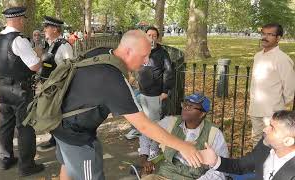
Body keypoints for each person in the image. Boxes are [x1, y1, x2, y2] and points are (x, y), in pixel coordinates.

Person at [51, 30, 203, 180]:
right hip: (76, 136)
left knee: (68, 168)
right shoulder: (113, 80)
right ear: (129, 51)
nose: (146, 61)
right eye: (144, 56)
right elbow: (144, 126)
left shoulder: (101, 53)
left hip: (57, 119)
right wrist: (182, 146)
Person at [0, 6, 44, 176]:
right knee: (25, 126)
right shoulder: (19, 40)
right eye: (23, 20)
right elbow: (35, 66)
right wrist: (38, 54)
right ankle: (26, 165)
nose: (24, 23)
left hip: (3, 88)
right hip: (20, 89)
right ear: (19, 19)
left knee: (6, 124)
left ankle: (6, 159)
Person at [140, 93, 229, 180]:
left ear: (202, 114)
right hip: (164, 175)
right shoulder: (171, 122)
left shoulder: (214, 133)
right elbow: (147, 132)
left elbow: (220, 170)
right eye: (185, 104)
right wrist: (144, 157)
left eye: (190, 106)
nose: (185, 108)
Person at [201, 110, 295, 180]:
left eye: (272, 128)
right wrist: (216, 160)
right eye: (269, 125)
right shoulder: (266, 146)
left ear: (288, 141)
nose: (265, 130)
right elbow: (240, 166)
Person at [249, 23, 295, 147]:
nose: (265, 37)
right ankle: (257, 166)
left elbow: (290, 89)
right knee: (256, 140)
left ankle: (270, 166)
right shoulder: (258, 56)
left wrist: (278, 106)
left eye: (270, 34)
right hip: (255, 108)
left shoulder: (282, 59)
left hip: (272, 112)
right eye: (264, 34)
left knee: (270, 143)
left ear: (278, 38)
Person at [125, 26, 174, 140]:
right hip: (142, 91)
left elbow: (168, 72)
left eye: (154, 36)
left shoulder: (163, 53)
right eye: (149, 35)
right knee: (139, 115)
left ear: (157, 38)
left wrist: (165, 91)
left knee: (154, 120)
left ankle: (155, 144)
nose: (151, 38)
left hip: (155, 94)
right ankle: (140, 133)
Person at [37, 16, 74, 152]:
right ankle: (55, 139)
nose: (44, 29)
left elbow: (70, 67)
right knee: (51, 113)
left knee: (58, 113)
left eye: (47, 27)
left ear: (55, 29)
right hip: (49, 86)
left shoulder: (64, 46)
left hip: (59, 86)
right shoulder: (51, 44)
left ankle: (59, 140)